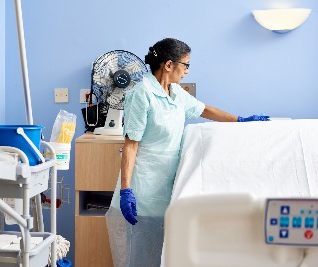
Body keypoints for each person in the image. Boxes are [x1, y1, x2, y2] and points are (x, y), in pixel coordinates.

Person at [105, 38, 269, 267]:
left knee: (163, 257)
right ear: (169, 65)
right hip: (141, 192)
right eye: (186, 65)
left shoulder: (175, 93)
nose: (187, 71)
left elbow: (205, 109)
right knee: (140, 258)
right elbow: (131, 145)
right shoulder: (141, 95)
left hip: (167, 190)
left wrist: (240, 120)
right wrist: (126, 190)